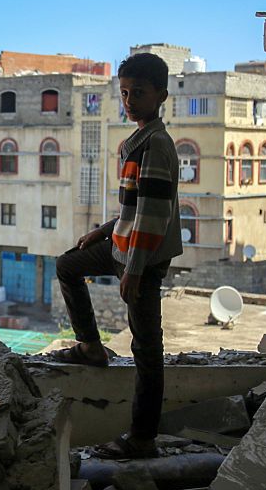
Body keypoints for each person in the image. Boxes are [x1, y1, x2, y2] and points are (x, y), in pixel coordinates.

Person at [52, 53, 183, 460]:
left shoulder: (156, 146)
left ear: (161, 95)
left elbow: (153, 216)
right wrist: (102, 232)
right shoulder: (137, 140)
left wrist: (135, 272)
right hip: (123, 246)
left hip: (140, 257)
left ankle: (142, 438)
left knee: (146, 349)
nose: (129, 100)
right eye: (124, 93)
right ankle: (90, 347)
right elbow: (132, 210)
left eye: (138, 93)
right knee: (68, 265)